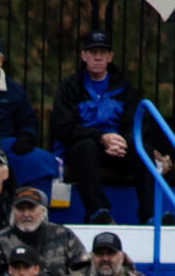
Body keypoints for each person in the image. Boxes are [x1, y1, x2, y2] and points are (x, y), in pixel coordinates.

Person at [52, 30, 156, 225]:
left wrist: (123, 141)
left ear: (110, 57)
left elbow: (138, 123)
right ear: (84, 56)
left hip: (118, 148)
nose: (98, 57)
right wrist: (100, 137)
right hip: (84, 149)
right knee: (85, 148)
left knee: (144, 151)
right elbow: (65, 128)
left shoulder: (124, 87)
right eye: (93, 52)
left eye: (102, 52)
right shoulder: (69, 87)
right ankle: (98, 212)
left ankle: (150, 215)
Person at [0, 185, 85, 276]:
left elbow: (82, 270)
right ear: (13, 211)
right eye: (20, 209)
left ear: (42, 210)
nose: (26, 214)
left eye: (31, 208)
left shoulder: (64, 235)